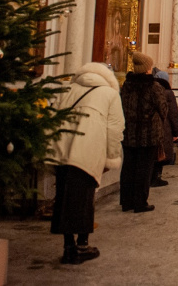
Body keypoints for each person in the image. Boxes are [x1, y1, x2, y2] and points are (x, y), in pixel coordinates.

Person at [49, 62, 124, 264]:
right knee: (84, 198)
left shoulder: (67, 89)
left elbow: (51, 118)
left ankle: (68, 246)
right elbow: (115, 129)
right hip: (89, 149)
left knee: (63, 196)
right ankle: (82, 245)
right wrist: (112, 156)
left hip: (62, 149)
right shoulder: (109, 94)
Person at [119, 52, 167, 213]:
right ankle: (140, 202)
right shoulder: (154, 87)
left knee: (128, 167)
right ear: (147, 68)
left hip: (130, 133)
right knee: (144, 169)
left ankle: (126, 201)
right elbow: (163, 109)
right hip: (148, 134)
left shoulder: (127, 85)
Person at [151, 71, 178, 187]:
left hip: (152, 128)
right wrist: (177, 131)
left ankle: (151, 177)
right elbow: (173, 113)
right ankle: (156, 177)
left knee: (153, 154)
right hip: (165, 127)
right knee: (161, 154)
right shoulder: (168, 93)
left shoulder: (151, 89)